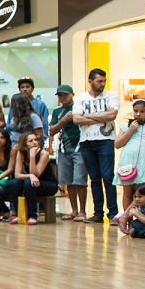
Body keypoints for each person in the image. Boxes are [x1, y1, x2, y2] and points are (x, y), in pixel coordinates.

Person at [73, 68, 120, 223]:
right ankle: (98, 213)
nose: (102, 84)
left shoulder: (111, 96)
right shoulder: (81, 98)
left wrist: (87, 116)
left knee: (108, 177)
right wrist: (101, 117)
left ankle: (113, 213)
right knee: (94, 178)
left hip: (105, 140)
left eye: (104, 81)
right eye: (99, 81)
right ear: (90, 81)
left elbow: (112, 115)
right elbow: (76, 120)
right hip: (86, 142)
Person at [113, 98, 145, 215]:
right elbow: (117, 144)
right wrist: (131, 130)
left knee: (144, 190)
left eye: (142, 111)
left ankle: (127, 216)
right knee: (127, 191)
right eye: (136, 111)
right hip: (128, 160)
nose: (138, 114)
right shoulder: (126, 126)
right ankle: (128, 221)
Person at [49, 84, 87, 221]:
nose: (62, 97)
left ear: (72, 94)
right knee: (69, 181)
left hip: (80, 147)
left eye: (65, 94)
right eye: (60, 95)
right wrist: (63, 121)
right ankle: (74, 210)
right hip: (63, 149)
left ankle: (82, 211)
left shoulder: (79, 108)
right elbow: (52, 130)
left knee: (80, 181)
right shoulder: (57, 111)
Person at [10, 131, 58, 224]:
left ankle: (33, 216)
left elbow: (36, 174)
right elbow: (17, 174)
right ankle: (19, 214)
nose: (34, 142)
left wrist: (32, 156)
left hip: (49, 184)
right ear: (24, 144)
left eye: (35, 140)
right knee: (15, 183)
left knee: (28, 183)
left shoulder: (44, 154)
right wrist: (30, 176)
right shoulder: (21, 153)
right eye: (31, 141)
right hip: (34, 181)